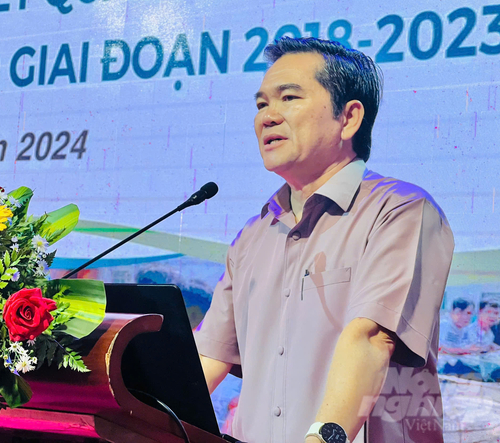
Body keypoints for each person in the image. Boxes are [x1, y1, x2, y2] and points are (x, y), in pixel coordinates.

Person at [194, 37, 454, 443]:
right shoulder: (252, 236)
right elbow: (209, 358)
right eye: (261, 104)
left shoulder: (400, 211)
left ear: (348, 118)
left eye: (288, 98)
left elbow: (370, 339)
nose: (267, 116)